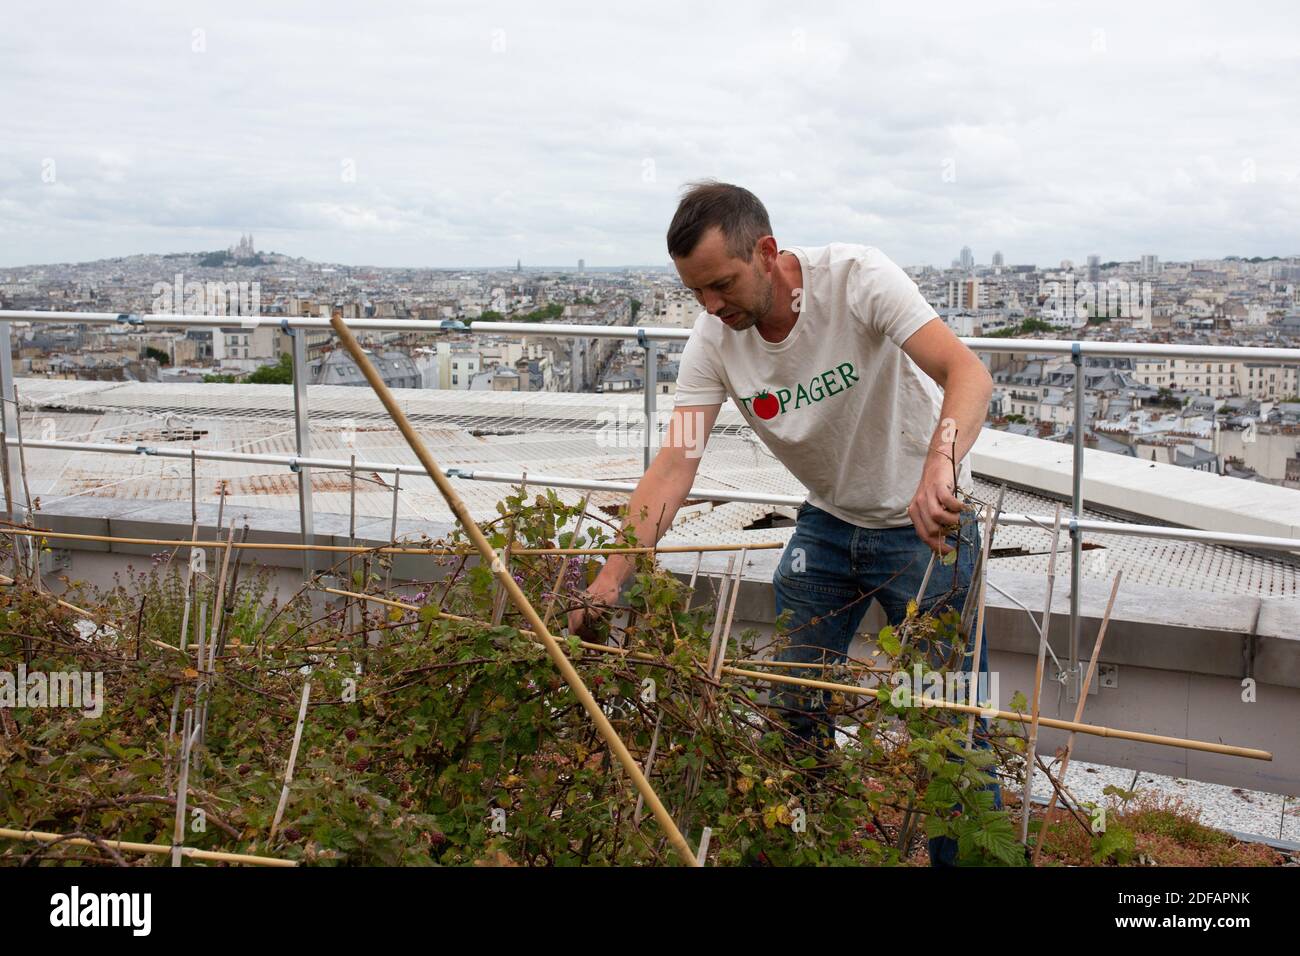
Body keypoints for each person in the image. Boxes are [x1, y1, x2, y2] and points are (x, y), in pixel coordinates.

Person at [568, 180, 1000, 865]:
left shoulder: (857, 279)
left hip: (926, 528)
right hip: (828, 525)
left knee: (948, 726)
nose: (711, 306)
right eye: (695, 293)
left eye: (722, 284)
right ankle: (809, 845)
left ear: (766, 252)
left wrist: (939, 465)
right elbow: (674, 465)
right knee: (794, 709)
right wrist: (610, 579)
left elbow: (967, 372)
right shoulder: (712, 342)